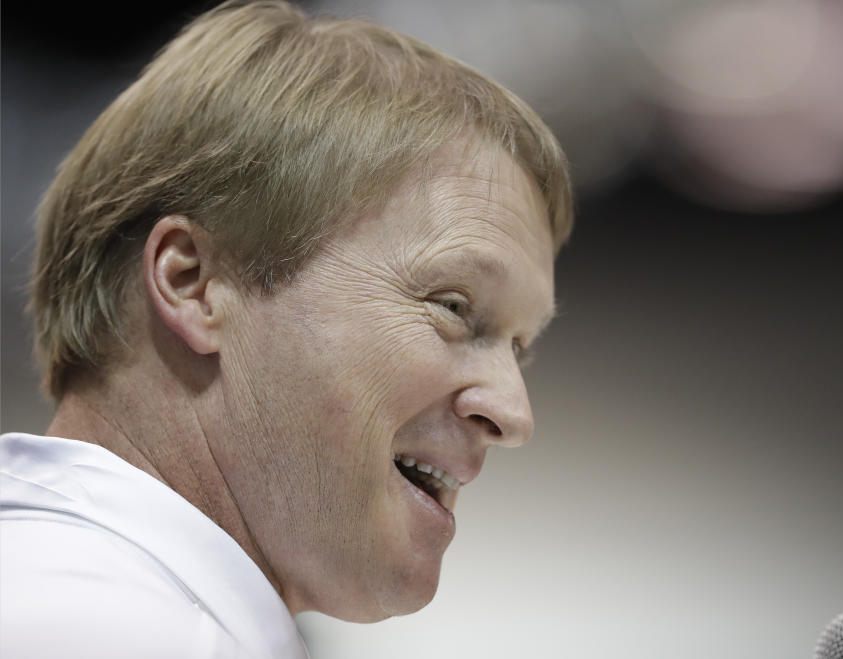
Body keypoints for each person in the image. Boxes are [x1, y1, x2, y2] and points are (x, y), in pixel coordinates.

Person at [0, 1, 573, 657]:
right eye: (451, 306)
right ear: (193, 283)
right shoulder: (108, 631)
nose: (514, 414)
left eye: (518, 348)